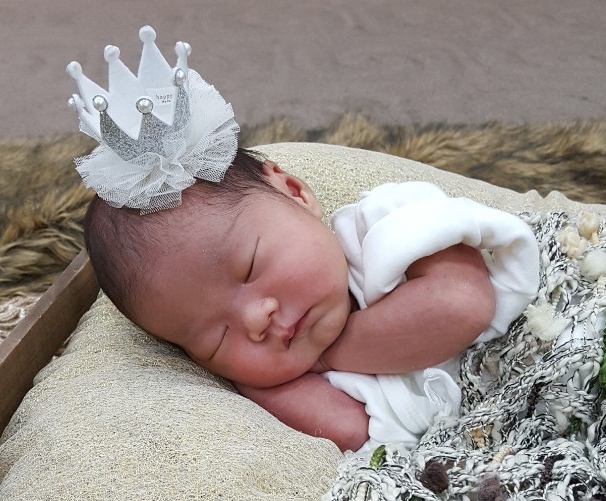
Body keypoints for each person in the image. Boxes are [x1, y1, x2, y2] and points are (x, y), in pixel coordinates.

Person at [84, 147, 540, 454]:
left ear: (294, 192)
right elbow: (353, 432)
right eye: (214, 338)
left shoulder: (384, 223)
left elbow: (462, 305)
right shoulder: (281, 378)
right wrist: (265, 381)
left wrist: (329, 354)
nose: (255, 319)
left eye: (250, 266)